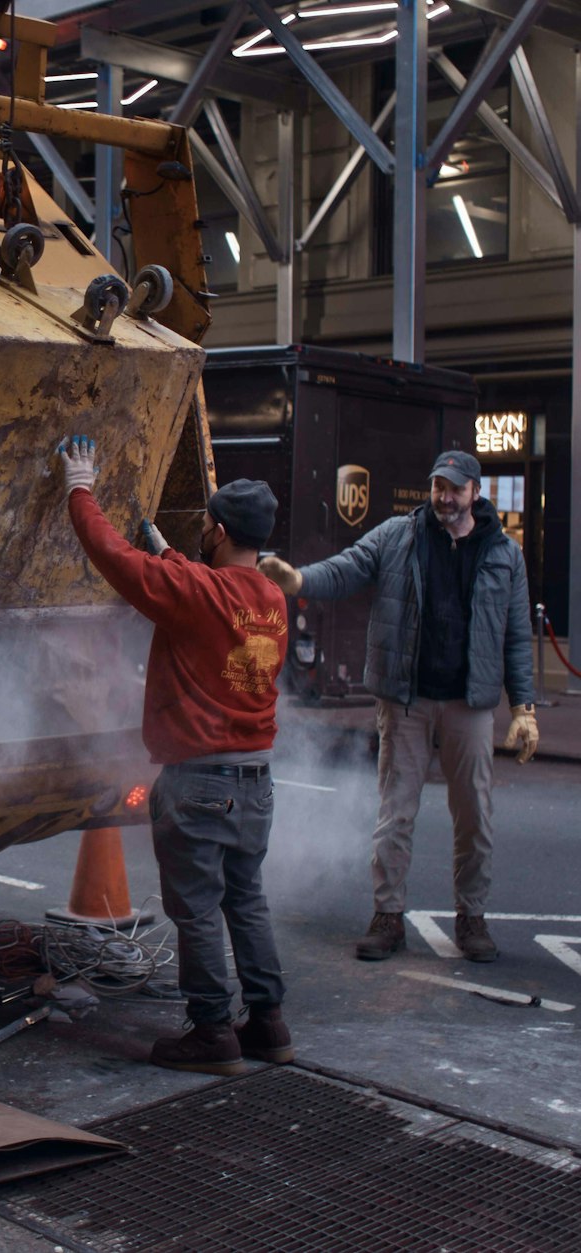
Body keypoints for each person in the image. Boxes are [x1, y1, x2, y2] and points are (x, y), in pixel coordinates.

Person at [56, 435, 292, 1075]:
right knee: (246, 900)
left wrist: (80, 486)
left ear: (215, 530)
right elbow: (212, 594)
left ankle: (211, 1032)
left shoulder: (196, 593)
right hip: (255, 782)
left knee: (195, 911)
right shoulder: (270, 599)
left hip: (198, 781)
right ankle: (267, 1024)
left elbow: (112, 556)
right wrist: (167, 552)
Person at [259, 449, 536, 964]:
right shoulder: (398, 535)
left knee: (474, 816)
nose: (444, 497)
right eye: (437, 486)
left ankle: (471, 919)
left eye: (454, 488)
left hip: (468, 703)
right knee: (395, 814)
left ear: (475, 493)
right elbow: (348, 569)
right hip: (405, 697)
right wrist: (298, 581)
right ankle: (388, 917)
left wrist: (525, 707)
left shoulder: (503, 553)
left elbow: (517, 636)